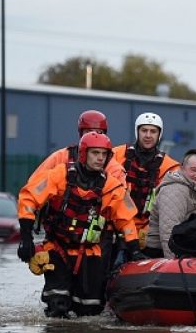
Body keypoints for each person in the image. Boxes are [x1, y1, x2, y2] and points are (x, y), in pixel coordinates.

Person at [16, 132, 147, 318]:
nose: (100, 158)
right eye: (95, 153)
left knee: (89, 309)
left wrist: (134, 250)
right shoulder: (60, 174)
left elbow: (125, 219)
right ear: (84, 154)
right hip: (57, 247)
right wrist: (26, 238)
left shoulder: (112, 186)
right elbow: (29, 198)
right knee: (57, 304)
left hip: (90, 252)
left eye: (104, 154)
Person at [112, 112, 180, 247]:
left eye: (153, 131)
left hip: (148, 232)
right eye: (144, 130)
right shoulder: (116, 155)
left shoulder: (170, 167)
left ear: (159, 135)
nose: (148, 135)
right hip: (115, 226)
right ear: (137, 131)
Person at [27, 110, 126, 185]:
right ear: (81, 133)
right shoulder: (61, 157)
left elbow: (121, 201)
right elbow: (34, 184)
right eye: (89, 132)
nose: (94, 136)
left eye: (99, 132)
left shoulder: (114, 169)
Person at [144, 149, 196, 258]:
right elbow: (168, 232)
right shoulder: (174, 190)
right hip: (162, 255)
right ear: (182, 168)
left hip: (187, 253)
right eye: (193, 170)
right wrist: (174, 266)